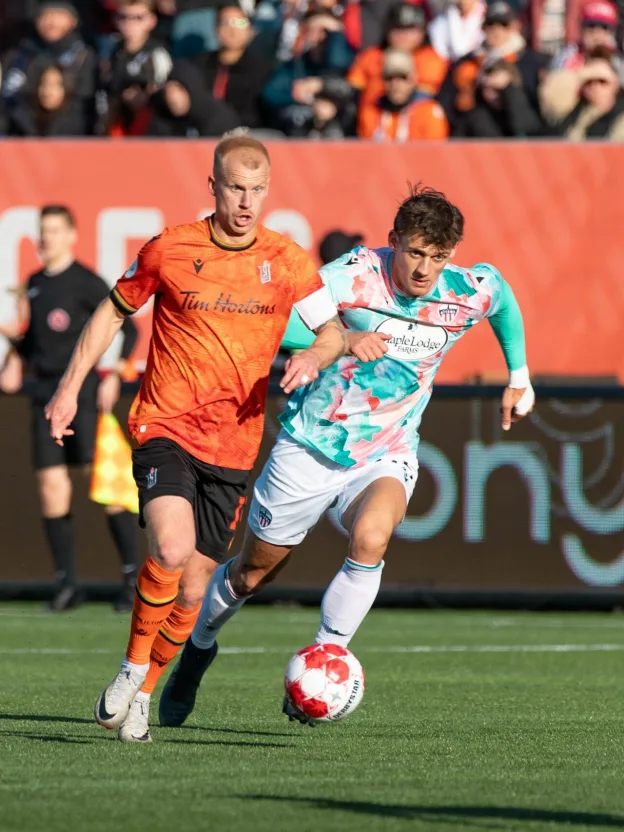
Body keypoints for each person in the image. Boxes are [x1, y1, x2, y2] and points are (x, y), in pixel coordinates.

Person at [159, 185, 535, 729]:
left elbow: (501, 298)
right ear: (392, 242)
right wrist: (340, 335)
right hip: (311, 446)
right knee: (250, 576)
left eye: (438, 256)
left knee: (372, 537)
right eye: (415, 252)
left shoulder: (464, 290)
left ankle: (324, 661)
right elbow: (281, 322)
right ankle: (197, 650)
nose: (426, 269)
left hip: (387, 449)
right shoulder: (351, 276)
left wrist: (518, 378)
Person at [44, 130, 346, 742]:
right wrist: (69, 387)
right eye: (235, 187)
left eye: (257, 189)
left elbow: (334, 332)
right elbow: (111, 310)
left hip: (234, 446)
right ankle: (132, 670)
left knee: (193, 587)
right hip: (165, 425)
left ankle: (145, 695)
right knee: (173, 548)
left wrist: (316, 354)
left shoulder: (287, 260)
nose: (245, 200)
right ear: (212, 185)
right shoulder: (171, 248)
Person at [0, 205, 139, 612]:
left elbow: (128, 325)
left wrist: (114, 373)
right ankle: (67, 583)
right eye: (43, 232)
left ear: (72, 235)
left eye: (55, 231)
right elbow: (33, 344)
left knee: (105, 487)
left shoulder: (85, 281)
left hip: (80, 392)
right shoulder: (35, 283)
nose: (48, 239)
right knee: (51, 487)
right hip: (43, 396)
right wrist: (13, 345)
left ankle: (131, 579)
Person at [437, 1, 547, 133]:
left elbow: (536, 115)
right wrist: (476, 88)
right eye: (491, 25)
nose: (497, 31)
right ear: (483, 27)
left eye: (503, 25)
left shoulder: (529, 62)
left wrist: (508, 87)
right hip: (477, 136)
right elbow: (446, 103)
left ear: (513, 27)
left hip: (519, 138)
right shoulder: (467, 62)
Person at [183, 4, 274, 129]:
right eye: (226, 23)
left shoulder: (262, 69)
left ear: (250, 29)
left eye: (240, 23)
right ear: (216, 29)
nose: (233, 30)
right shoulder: (199, 64)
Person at [1, 2, 97, 120]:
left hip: (72, 133)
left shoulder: (84, 56)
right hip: (22, 133)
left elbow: (87, 102)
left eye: (59, 15)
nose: (52, 23)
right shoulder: (18, 57)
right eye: (46, 16)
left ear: (73, 21)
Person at [348, 3, 448, 105]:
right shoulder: (370, 57)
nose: (403, 35)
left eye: (410, 29)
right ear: (387, 30)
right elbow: (354, 88)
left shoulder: (432, 60)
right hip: (371, 115)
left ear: (422, 32)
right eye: (397, 28)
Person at [98, 0, 172, 137]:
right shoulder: (110, 53)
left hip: (150, 126)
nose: (130, 24)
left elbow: (165, 90)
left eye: (138, 18)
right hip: (116, 123)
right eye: (124, 17)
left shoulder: (158, 54)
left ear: (152, 20)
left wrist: (145, 95)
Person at [357, 49, 449, 140]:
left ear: (413, 80)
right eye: (389, 78)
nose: (396, 84)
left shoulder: (428, 112)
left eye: (403, 77)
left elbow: (435, 151)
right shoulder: (370, 112)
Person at [540, 47, 624, 139]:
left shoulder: (620, 117)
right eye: (589, 82)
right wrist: (579, 75)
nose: (595, 87)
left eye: (602, 81)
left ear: (615, 85)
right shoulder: (576, 113)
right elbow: (551, 94)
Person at [453, 59, 544, 137]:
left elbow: (523, 127)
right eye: (486, 88)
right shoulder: (473, 118)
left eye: (498, 90)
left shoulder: (533, 110)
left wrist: (510, 92)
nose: (492, 95)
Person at [7, 64, 88, 136]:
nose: (47, 91)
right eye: (43, 84)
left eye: (53, 85)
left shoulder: (76, 124)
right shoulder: (21, 122)